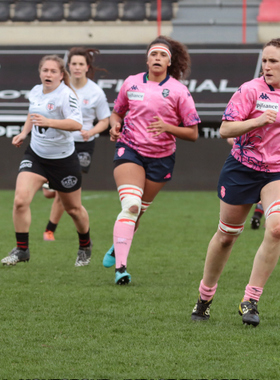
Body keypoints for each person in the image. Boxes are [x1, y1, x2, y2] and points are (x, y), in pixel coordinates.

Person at [190, 38, 280, 326]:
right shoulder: (250, 90)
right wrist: (257, 121)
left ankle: (250, 300)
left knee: (277, 229)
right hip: (242, 170)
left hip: (276, 172)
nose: (267, 66)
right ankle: (204, 298)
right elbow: (225, 128)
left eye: (274, 61)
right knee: (227, 237)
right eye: (265, 60)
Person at [102, 36, 200, 285]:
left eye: (162, 55)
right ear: (147, 59)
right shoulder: (131, 83)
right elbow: (117, 113)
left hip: (161, 158)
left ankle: (117, 246)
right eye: (153, 54)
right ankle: (121, 269)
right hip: (130, 150)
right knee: (131, 205)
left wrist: (168, 127)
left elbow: (193, 133)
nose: (157, 58)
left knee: (137, 212)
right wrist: (115, 127)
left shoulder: (179, 91)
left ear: (169, 62)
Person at [0, 54, 89, 268]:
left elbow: (77, 124)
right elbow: (32, 113)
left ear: (61, 75)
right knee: (21, 200)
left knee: (74, 209)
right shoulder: (35, 91)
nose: (48, 74)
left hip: (63, 160)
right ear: (40, 72)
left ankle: (85, 246)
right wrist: (24, 133)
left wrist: (50, 122)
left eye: (52, 71)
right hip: (36, 155)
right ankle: (22, 249)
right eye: (45, 70)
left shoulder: (66, 95)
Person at [42, 48, 110, 242]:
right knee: (49, 192)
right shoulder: (58, 87)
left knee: (64, 190)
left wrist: (91, 132)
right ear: (68, 66)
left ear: (87, 67)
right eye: (74, 64)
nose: (77, 68)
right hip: (57, 142)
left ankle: (49, 230)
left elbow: (105, 120)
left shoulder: (95, 92)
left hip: (82, 146)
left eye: (81, 64)